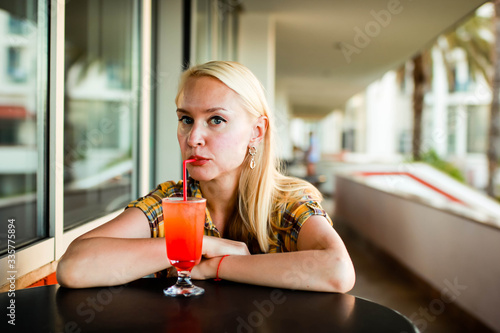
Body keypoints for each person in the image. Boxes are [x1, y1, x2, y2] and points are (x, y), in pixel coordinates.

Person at [57, 61, 355, 292]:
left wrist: (218, 266)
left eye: (216, 120)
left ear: (256, 132)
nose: (193, 137)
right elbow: (74, 267)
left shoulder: (287, 204)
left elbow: (338, 270)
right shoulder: (172, 201)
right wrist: (199, 245)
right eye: (186, 119)